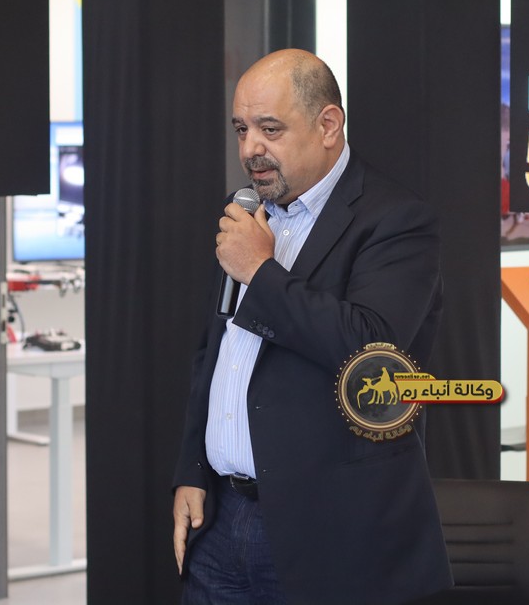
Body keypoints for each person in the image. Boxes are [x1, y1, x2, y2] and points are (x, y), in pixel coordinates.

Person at [172, 49, 452, 605]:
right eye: (242, 129)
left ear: (328, 125)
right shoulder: (245, 211)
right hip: (219, 524)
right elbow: (216, 352)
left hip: (331, 532)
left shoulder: (396, 219)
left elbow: (371, 350)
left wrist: (260, 272)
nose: (250, 148)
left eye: (270, 129)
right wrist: (192, 469)